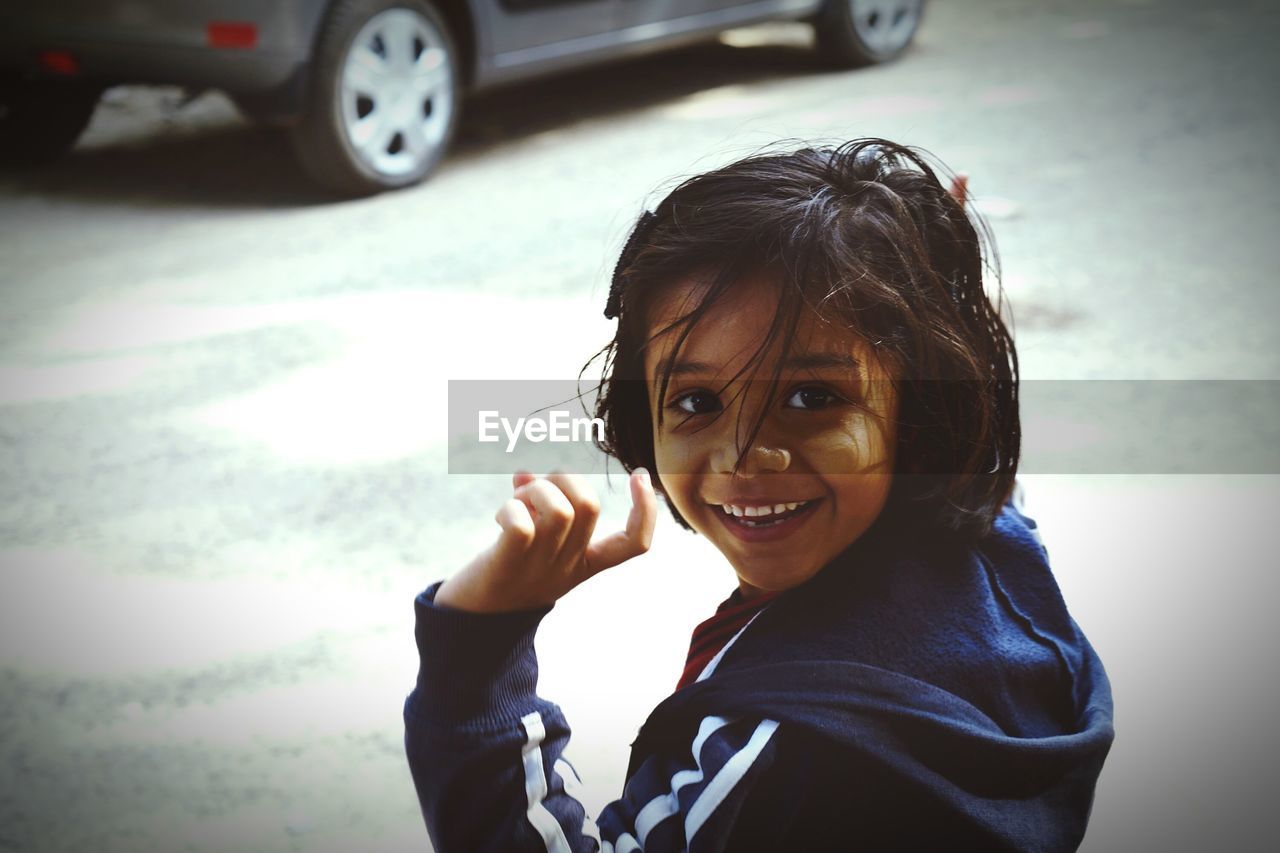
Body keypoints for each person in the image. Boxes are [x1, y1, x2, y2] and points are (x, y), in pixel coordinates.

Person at [403, 139, 1114, 851]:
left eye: (812, 396)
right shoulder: (998, 547)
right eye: (696, 399)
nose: (744, 456)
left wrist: (478, 648)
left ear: (920, 410)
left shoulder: (776, 755)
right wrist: (948, 291)